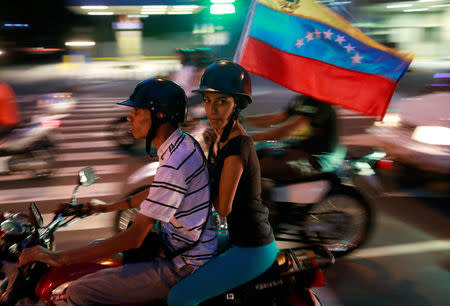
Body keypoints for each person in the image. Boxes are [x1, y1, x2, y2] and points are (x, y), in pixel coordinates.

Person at [18, 78, 217, 305]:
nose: (129, 117)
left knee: (79, 290)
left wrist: (56, 257)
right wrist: (103, 207)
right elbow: (157, 194)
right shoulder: (182, 144)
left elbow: (134, 237)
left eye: (138, 111)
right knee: (97, 248)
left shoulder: (174, 164)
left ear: (160, 115)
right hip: (179, 249)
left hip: (182, 264)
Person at [168, 61, 277, 306]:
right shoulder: (225, 140)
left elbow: (223, 207)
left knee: (180, 298)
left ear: (237, 105)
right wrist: (212, 147)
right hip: (237, 236)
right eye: (207, 100)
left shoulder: (238, 146)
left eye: (222, 101)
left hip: (251, 246)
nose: (212, 110)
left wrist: (188, 188)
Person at [244, 94, 341, 182]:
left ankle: (258, 201)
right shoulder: (302, 99)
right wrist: (244, 120)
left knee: (256, 168)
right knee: (260, 153)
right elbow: (277, 118)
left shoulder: (320, 102)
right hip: (303, 150)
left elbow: (291, 130)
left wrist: (253, 138)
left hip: (318, 159)